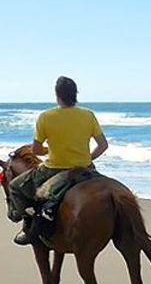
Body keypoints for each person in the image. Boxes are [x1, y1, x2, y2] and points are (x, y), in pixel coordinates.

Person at [8, 76, 108, 244]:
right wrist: (86, 158)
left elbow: (36, 150)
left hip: (54, 169)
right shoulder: (88, 115)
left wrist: (51, 149)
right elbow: (103, 145)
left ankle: (28, 227)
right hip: (86, 168)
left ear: (57, 95)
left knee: (15, 186)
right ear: (75, 95)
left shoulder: (46, 117)